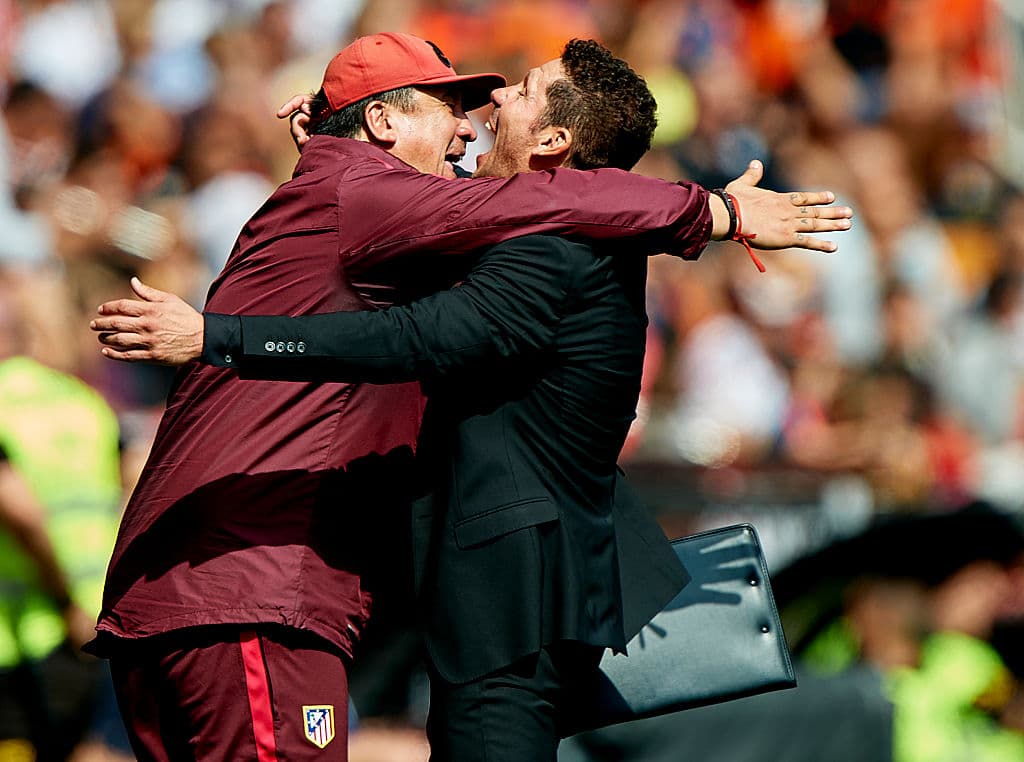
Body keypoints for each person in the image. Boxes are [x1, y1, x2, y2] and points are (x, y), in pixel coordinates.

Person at [88, 32, 851, 761]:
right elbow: (429, 277)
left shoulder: (536, 242)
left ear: (554, 144)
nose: (473, 121)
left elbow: (425, 323)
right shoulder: (389, 202)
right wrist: (717, 212)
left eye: (511, 95)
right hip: (253, 589)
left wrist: (229, 325)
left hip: (453, 608)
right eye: (446, 105)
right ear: (383, 123)